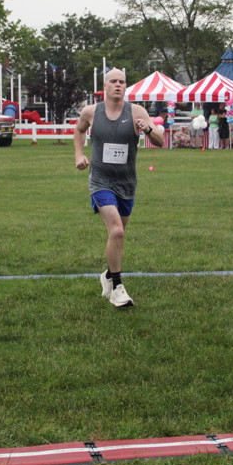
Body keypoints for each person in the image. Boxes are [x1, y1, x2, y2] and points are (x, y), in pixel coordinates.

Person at [74, 69, 163, 308]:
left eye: (122, 82)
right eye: (113, 81)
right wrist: (79, 154)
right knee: (117, 231)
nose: (118, 85)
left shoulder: (136, 112)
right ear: (105, 86)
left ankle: (108, 275)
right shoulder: (91, 112)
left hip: (127, 183)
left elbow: (160, 140)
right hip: (100, 181)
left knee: (118, 235)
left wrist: (147, 129)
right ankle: (117, 288)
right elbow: (79, 130)